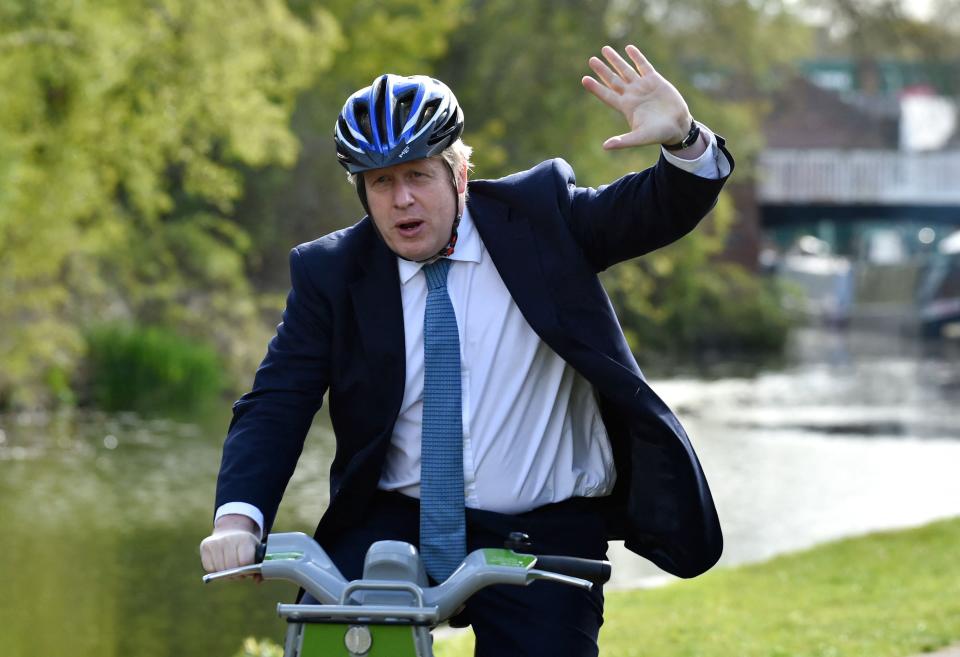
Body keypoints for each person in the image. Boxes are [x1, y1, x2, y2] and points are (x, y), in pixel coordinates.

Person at [201, 44, 732, 656]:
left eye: (418, 176)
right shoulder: (331, 274)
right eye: (381, 182)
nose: (402, 199)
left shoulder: (542, 218)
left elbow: (657, 209)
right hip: (395, 520)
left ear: (458, 175)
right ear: (362, 192)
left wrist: (684, 140)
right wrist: (238, 518)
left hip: (544, 524)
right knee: (331, 644)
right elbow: (276, 402)